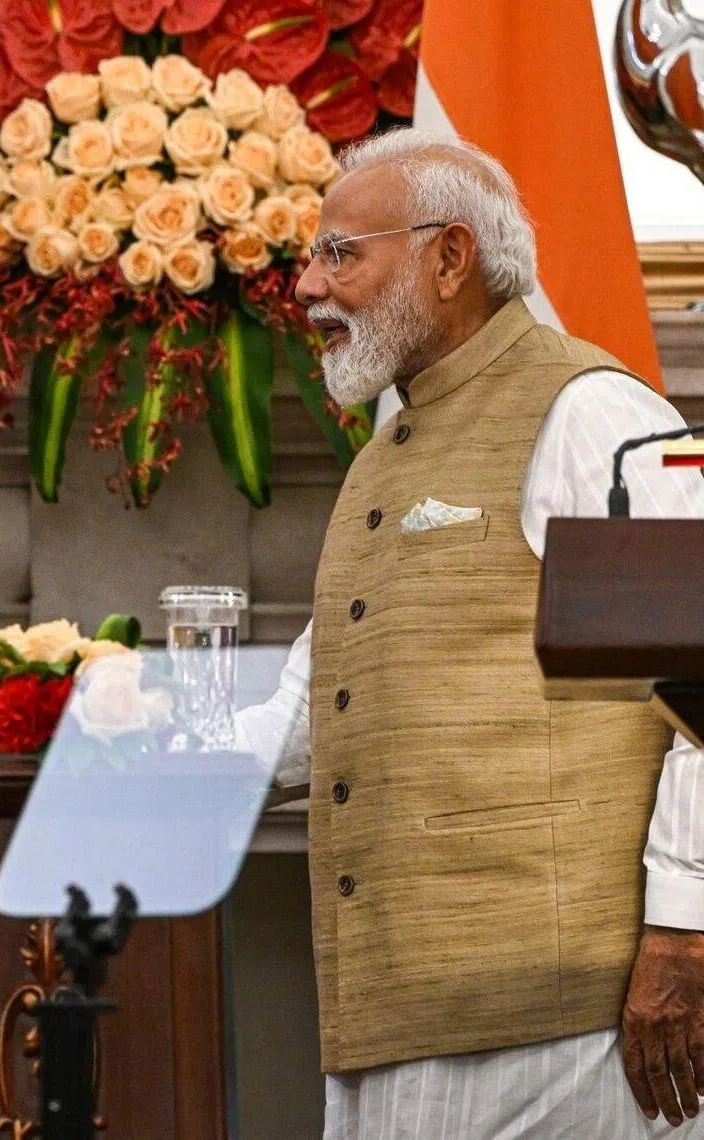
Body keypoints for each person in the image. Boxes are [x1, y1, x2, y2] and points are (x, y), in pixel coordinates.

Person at [237, 127, 704, 1138]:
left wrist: (685, 930)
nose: (309, 283)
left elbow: (699, 679)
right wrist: (94, 736)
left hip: (568, 1032)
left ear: (449, 259)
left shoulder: (595, 410)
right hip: (394, 1025)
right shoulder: (383, 453)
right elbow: (316, 717)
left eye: (340, 252)